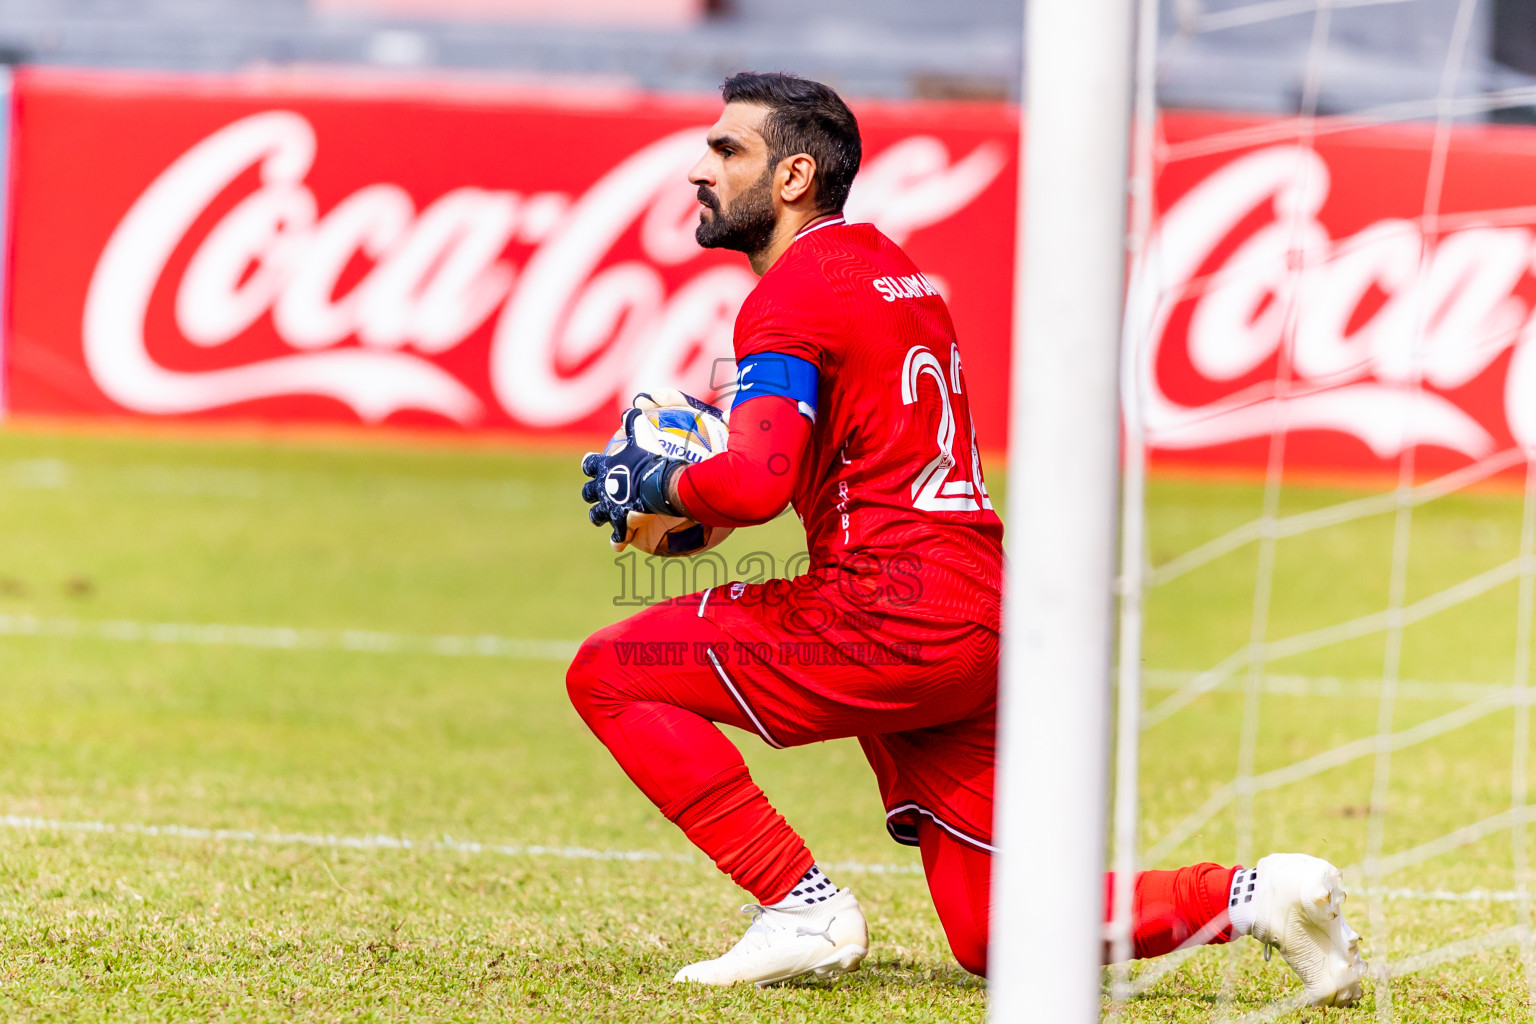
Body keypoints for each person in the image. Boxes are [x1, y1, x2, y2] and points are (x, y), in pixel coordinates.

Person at [568, 71, 1366, 1005]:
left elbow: (757, 479)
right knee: (997, 930)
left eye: (725, 151)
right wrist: (700, 510)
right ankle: (1261, 896)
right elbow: (839, 459)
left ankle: (800, 907)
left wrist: (666, 481)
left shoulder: (790, 295)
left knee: (611, 670)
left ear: (792, 177)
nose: (698, 171)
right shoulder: (890, 272)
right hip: (981, 616)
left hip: (887, 610)